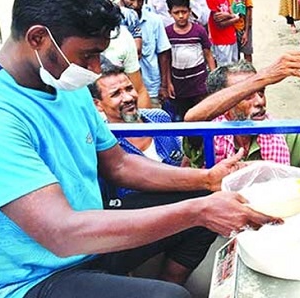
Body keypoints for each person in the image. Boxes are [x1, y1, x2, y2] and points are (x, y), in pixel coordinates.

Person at [0, 0, 279, 298]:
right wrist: (197, 212)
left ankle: (165, 280)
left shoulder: (67, 84)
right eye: (88, 55)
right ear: (37, 38)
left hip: (89, 245)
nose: (95, 69)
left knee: (204, 200)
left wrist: (206, 179)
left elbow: (119, 164)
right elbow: (61, 232)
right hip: (32, 277)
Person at [89, 66, 219, 285]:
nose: (128, 97)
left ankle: (172, 281)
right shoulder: (101, 143)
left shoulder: (159, 118)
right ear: (97, 105)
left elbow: (182, 161)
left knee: (208, 205)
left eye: (129, 88)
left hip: (174, 214)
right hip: (134, 223)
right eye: (116, 94)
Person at [184, 59, 300, 168]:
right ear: (225, 103)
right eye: (247, 95)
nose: (260, 102)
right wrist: (264, 77)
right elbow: (191, 120)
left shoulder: (282, 135)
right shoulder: (209, 136)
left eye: (261, 92)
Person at [119, 0, 173, 107]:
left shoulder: (154, 20)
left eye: (140, 0)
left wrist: (164, 85)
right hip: (122, 90)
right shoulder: (112, 22)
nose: (136, 4)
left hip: (151, 87)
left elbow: (163, 53)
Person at [164, 0, 215, 121]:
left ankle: (201, 141)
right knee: (183, 116)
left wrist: (213, 78)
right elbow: (167, 59)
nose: (181, 16)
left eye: (184, 11)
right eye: (176, 12)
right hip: (179, 83)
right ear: (170, 13)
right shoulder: (168, 33)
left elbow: (208, 54)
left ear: (190, 11)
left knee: (201, 114)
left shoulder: (199, 31)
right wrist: (168, 83)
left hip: (199, 82)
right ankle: (187, 140)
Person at [205, 0, 240, 66]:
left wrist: (230, 16)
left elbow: (230, 14)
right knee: (225, 73)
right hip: (221, 42)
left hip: (231, 39)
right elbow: (219, 24)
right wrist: (235, 18)